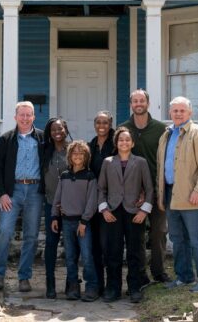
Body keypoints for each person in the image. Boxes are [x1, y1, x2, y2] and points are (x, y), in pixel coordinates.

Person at [157, 96, 198, 293]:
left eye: (182, 110)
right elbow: (161, 167)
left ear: (190, 113)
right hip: (171, 194)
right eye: (175, 110)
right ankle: (184, 276)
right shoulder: (166, 135)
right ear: (170, 113)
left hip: (192, 196)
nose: (178, 113)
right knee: (177, 238)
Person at [0, 101, 45, 292]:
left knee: (31, 235)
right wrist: (2, 194)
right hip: (12, 192)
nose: (25, 118)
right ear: (15, 117)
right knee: (4, 232)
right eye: (21, 115)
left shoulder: (41, 138)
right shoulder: (7, 139)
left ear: (33, 117)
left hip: (35, 191)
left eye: (28, 115)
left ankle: (24, 277)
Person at [119, 89, 170, 285]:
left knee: (158, 232)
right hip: (132, 193)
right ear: (131, 104)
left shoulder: (160, 129)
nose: (138, 104)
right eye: (135, 101)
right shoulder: (123, 129)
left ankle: (159, 271)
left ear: (148, 103)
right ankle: (141, 275)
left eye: (142, 100)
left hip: (157, 189)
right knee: (136, 235)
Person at [98, 127, 153, 303]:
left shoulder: (141, 162)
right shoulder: (108, 162)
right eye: (121, 140)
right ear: (116, 143)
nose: (124, 143)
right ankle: (113, 288)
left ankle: (134, 287)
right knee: (112, 251)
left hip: (134, 212)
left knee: (135, 251)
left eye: (127, 140)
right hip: (113, 212)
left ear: (133, 143)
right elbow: (101, 189)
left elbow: (150, 189)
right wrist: (104, 209)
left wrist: (144, 210)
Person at [50, 140, 99, 302]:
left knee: (86, 256)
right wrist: (55, 216)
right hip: (66, 222)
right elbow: (58, 197)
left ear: (86, 157)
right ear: (69, 156)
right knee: (70, 257)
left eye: (81, 153)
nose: (77, 156)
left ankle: (91, 286)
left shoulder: (90, 176)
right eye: (74, 153)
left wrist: (84, 222)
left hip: (83, 223)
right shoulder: (64, 176)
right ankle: (73, 286)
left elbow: (92, 201)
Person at [42, 117, 71, 299]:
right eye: (53, 129)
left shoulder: (73, 149)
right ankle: (50, 284)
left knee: (71, 245)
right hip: (51, 203)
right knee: (51, 244)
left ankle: (71, 282)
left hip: (72, 207)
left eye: (60, 129)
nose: (57, 132)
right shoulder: (44, 151)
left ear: (66, 130)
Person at [88, 111, 116, 295]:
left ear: (110, 123)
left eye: (105, 122)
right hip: (93, 200)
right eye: (98, 122)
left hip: (111, 200)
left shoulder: (116, 143)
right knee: (95, 245)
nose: (102, 126)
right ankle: (97, 284)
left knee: (109, 246)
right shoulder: (91, 145)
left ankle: (112, 286)